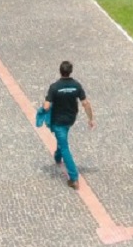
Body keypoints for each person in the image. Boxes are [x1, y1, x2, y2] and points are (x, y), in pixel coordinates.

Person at [40, 60, 94, 189]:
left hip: (58, 121)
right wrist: (91, 119)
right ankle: (57, 156)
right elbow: (85, 103)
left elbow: (46, 106)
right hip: (70, 119)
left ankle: (74, 178)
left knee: (65, 148)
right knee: (62, 140)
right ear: (70, 71)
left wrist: (43, 109)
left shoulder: (54, 87)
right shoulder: (76, 85)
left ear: (60, 71)